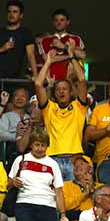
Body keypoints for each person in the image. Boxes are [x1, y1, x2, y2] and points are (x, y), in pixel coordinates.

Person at [8, 127, 65, 221]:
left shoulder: (53, 164)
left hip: (48, 206)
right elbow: (7, 184)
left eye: (43, 145)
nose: (40, 148)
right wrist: (13, 182)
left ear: (47, 146)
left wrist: (63, 214)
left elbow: (58, 191)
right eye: (37, 145)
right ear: (31, 145)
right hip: (24, 205)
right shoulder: (20, 160)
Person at [34, 48, 88, 181]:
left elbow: (82, 80)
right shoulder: (49, 108)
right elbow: (38, 84)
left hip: (75, 160)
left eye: (65, 89)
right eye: (58, 89)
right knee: (52, 194)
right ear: (54, 93)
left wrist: (71, 56)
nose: (61, 92)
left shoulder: (79, 107)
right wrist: (48, 62)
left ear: (71, 92)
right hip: (52, 159)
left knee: (75, 193)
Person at [0, 0, 38, 91]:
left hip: (16, 80)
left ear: (21, 15)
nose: (11, 14)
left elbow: (31, 55)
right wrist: (1, 49)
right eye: (9, 11)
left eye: (15, 12)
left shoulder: (26, 33)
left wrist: (36, 75)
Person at [39, 9, 86, 80]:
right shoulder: (45, 40)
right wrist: (70, 56)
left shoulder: (76, 38)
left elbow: (82, 55)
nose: (59, 23)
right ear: (53, 23)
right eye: (56, 20)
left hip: (69, 81)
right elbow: (48, 59)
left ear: (68, 22)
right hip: (51, 80)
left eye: (62, 20)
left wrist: (64, 47)